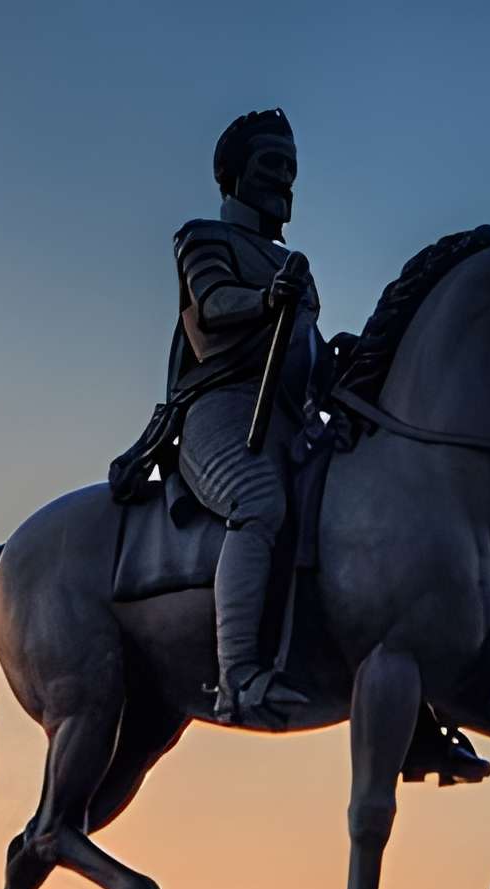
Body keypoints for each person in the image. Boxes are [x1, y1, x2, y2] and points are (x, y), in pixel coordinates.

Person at [169, 108, 318, 725]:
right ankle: (238, 679)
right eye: (271, 164)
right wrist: (265, 298)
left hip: (288, 422)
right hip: (222, 413)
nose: (285, 178)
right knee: (258, 501)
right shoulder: (205, 237)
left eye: (291, 167)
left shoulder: (293, 269)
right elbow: (212, 303)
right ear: (233, 176)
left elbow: (303, 355)